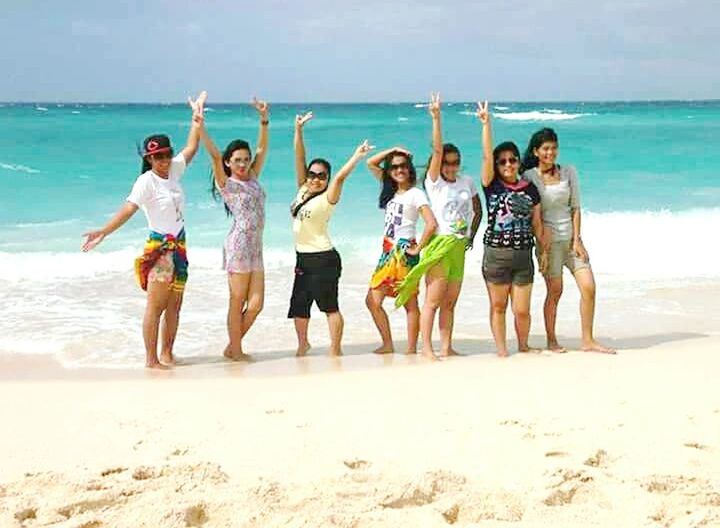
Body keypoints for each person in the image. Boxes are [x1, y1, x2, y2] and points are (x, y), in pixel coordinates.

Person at [81, 91, 206, 368]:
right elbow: (128, 208)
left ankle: (168, 354)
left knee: (175, 305)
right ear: (149, 159)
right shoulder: (146, 182)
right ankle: (151, 360)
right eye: (157, 156)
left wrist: (196, 119)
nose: (163, 160)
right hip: (160, 250)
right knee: (157, 306)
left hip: (180, 247)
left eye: (166, 154)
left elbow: (193, 148)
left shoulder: (174, 170)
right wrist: (104, 231)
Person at [396, 93, 481, 360]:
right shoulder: (435, 183)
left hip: (458, 246)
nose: (451, 167)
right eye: (447, 162)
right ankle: (427, 349)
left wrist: (471, 236)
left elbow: (478, 211)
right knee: (432, 301)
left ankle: (446, 347)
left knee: (450, 302)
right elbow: (435, 149)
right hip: (440, 244)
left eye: (455, 162)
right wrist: (436, 117)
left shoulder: (467, 181)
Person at [521, 128, 615, 354]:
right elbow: (533, 216)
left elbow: (576, 208)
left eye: (553, 148)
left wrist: (578, 240)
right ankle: (552, 340)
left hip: (571, 242)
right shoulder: (530, 177)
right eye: (545, 148)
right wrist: (541, 247)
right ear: (536, 151)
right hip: (549, 244)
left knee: (589, 287)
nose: (550, 152)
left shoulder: (568, 172)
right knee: (555, 291)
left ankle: (588, 340)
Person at [289, 111, 373, 357]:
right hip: (302, 258)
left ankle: (336, 350)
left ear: (326, 179)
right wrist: (298, 130)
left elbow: (341, 177)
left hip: (323, 258)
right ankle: (303, 344)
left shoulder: (328, 197)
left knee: (329, 307)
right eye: (312, 174)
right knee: (299, 307)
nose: (315, 179)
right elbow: (299, 156)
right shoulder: (303, 189)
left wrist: (357, 156)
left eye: (321, 176)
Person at [201, 97, 270, 361]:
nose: (243, 164)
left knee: (256, 305)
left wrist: (264, 119)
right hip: (239, 245)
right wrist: (200, 125)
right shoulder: (227, 184)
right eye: (237, 160)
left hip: (256, 247)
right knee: (237, 301)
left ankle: (232, 347)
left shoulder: (252, 178)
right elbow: (214, 154)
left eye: (246, 159)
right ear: (229, 163)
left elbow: (262, 149)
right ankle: (236, 351)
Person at [478, 101, 547, 357]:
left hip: (523, 257)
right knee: (498, 306)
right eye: (503, 161)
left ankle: (524, 345)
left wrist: (544, 252)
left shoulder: (530, 189)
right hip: (496, 255)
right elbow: (486, 156)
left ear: (519, 162)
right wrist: (486, 124)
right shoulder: (491, 185)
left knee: (521, 310)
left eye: (512, 160)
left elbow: (537, 224)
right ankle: (501, 350)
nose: (508, 165)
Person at [365, 147, 438, 354]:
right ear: (389, 171)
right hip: (387, 252)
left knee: (410, 303)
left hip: (404, 253)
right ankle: (388, 344)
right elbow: (370, 163)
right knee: (373, 301)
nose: (399, 170)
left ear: (410, 169)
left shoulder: (416, 193)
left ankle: (411, 349)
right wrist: (394, 149)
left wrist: (417, 249)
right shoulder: (390, 190)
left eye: (404, 166)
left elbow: (431, 224)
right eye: (395, 167)